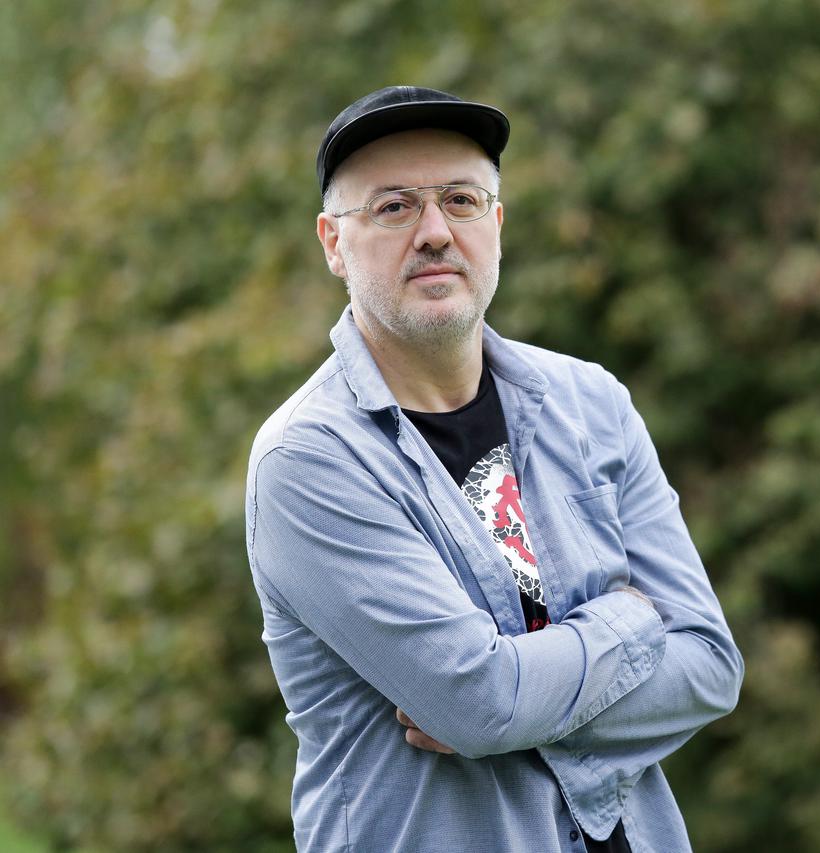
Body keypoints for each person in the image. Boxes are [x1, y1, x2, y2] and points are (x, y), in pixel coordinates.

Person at [244, 86, 744, 853]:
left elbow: (708, 665)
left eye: (461, 200)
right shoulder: (309, 459)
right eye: (393, 207)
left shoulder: (592, 404)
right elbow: (482, 703)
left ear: (497, 225)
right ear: (333, 243)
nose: (435, 232)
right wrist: (633, 619)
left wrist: (519, 696)